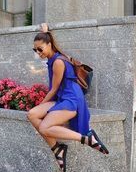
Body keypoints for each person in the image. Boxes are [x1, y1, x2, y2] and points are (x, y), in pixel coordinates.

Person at [27, 23, 109, 171]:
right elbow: (46, 39)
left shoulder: (58, 62)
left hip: (71, 100)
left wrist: (41, 105)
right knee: (32, 115)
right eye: (35, 49)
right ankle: (57, 149)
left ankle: (87, 139)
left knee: (45, 127)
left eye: (40, 49)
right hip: (62, 98)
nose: (38, 52)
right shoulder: (52, 58)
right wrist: (45, 32)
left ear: (49, 45)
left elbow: (53, 90)